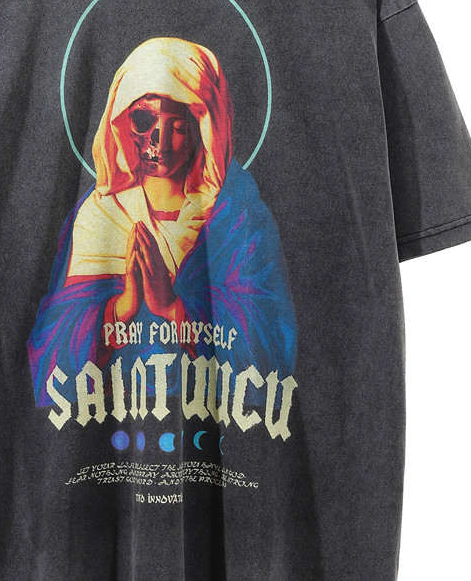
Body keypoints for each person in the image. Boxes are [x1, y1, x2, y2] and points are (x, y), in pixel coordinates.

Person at [27, 36, 297, 411]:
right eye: (144, 120)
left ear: (205, 128)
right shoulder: (98, 216)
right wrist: (120, 309)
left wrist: (172, 306)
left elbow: (272, 347)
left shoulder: (236, 216)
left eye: (179, 125)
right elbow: (50, 354)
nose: (160, 141)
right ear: (121, 121)